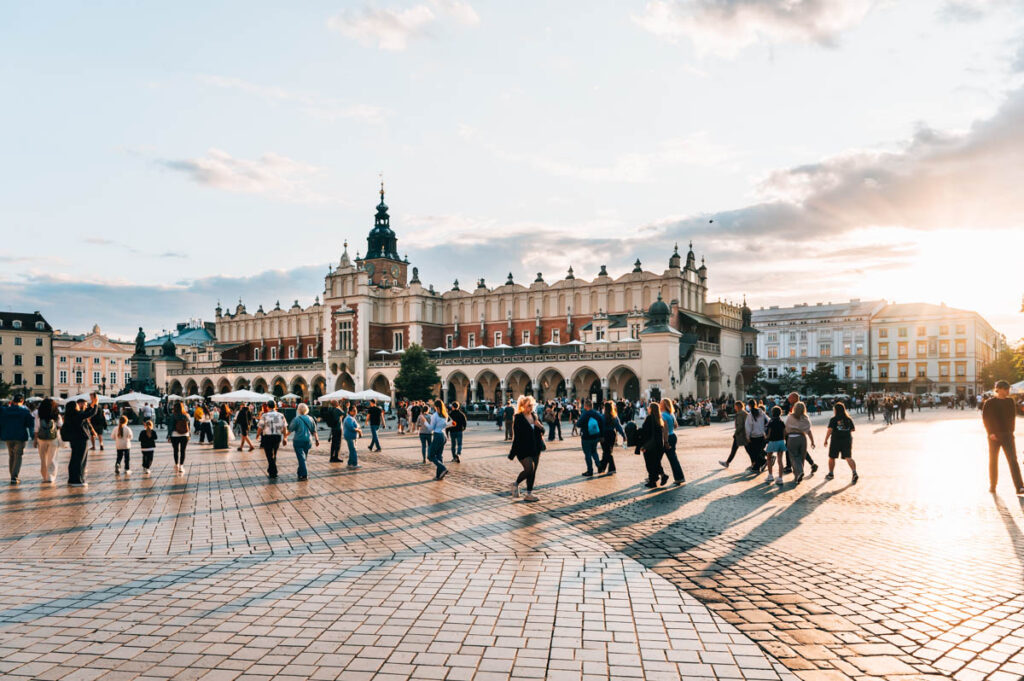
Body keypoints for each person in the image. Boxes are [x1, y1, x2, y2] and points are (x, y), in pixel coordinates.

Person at [982, 380, 1022, 494]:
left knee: (1013, 460)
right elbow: (986, 419)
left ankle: (1019, 486)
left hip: (1007, 435)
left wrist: (1011, 431)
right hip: (994, 436)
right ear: (998, 389)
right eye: (1006, 389)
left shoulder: (1010, 401)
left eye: (1008, 389)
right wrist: (991, 433)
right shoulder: (989, 403)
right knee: (993, 461)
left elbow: (1012, 417)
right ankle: (993, 485)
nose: (1007, 391)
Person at [508, 395, 543, 501]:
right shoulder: (518, 418)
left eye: (532, 405)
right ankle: (516, 483)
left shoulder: (534, 416)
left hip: (535, 448)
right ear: (523, 406)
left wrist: (539, 426)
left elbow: (542, 431)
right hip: (523, 449)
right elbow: (517, 437)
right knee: (529, 469)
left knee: (533, 472)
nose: (531, 408)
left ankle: (529, 494)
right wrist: (512, 453)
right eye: (528, 406)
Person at [63, 394, 98, 487]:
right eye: (77, 405)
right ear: (74, 407)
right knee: (80, 460)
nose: (79, 407)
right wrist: (96, 404)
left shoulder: (70, 415)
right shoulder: (77, 415)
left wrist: (92, 404)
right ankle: (78, 480)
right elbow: (90, 414)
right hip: (81, 440)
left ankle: (72, 479)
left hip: (74, 440)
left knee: (74, 459)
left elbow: (84, 413)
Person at [2, 394, 35, 485]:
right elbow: (30, 424)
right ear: (22, 401)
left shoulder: (5, 410)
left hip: (8, 436)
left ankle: (12, 475)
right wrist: (33, 436)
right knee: (18, 456)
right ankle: (14, 476)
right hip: (20, 437)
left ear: (13, 401)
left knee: (11, 455)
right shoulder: (25, 411)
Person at [823, 402, 859, 484]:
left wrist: (826, 440)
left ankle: (831, 473)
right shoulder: (848, 419)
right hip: (847, 440)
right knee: (848, 457)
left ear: (835, 410)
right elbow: (853, 429)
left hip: (836, 440)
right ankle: (854, 472)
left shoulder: (834, 419)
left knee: (832, 457)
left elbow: (830, 430)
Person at [638, 402, 668, 488]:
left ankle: (653, 481)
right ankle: (660, 477)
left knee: (650, 463)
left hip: (650, 445)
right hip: (658, 445)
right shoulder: (659, 419)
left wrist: (643, 444)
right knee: (655, 463)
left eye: (649, 407)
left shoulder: (649, 418)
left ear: (651, 409)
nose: (648, 408)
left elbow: (645, 432)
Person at [784, 401, 815, 483]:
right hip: (802, 438)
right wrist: (812, 441)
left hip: (792, 438)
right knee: (802, 457)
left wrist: (783, 438)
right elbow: (809, 431)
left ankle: (798, 473)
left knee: (794, 457)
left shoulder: (790, 417)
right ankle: (799, 474)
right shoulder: (805, 418)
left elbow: (786, 429)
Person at [33, 397, 62, 484]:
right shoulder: (56, 414)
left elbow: (36, 428)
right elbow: (60, 425)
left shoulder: (39, 414)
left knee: (43, 458)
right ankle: (51, 476)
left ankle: (44, 476)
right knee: (52, 458)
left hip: (41, 439)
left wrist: (35, 440)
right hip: (53, 438)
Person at [257, 400, 288, 479]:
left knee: (269, 454)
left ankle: (273, 471)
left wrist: (257, 435)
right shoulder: (281, 415)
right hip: (277, 436)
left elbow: (260, 427)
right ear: (275, 406)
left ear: (267, 407)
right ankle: (271, 470)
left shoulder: (264, 415)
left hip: (267, 437)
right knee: (274, 453)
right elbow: (284, 427)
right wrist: (285, 437)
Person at [289, 403, 320, 481]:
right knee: (303, 457)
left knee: (301, 458)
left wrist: (285, 437)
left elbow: (290, 429)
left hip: (298, 440)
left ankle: (304, 474)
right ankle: (300, 472)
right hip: (308, 441)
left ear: (298, 410)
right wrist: (317, 440)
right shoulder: (311, 419)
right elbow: (314, 431)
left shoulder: (296, 419)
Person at [575, 399, 604, 477]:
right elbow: (601, 423)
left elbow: (578, 424)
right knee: (594, 451)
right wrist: (601, 435)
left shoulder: (585, 414)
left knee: (587, 454)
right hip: (595, 436)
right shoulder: (596, 413)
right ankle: (599, 466)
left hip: (586, 437)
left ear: (586, 406)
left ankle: (590, 470)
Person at [596, 401, 625, 475]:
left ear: (604, 408)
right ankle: (602, 468)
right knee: (608, 451)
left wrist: (598, 436)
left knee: (607, 452)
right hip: (612, 435)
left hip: (604, 435)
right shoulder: (614, 417)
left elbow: (599, 427)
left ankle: (610, 468)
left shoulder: (602, 417)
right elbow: (619, 427)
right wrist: (624, 435)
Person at [660, 398, 685, 484]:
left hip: (666, 438)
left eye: (661, 403)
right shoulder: (671, 414)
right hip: (673, 436)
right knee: (673, 458)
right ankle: (680, 477)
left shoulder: (662, 415)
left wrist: (665, 441)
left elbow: (665, 429)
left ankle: (654, 476)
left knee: (656, 458)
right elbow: (676, 425)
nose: (660, 404)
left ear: (664, 405)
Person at [426, 400, 451, 481]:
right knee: (439, 455)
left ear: (436, 407)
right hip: (444, 436)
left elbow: (431, 428)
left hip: (437, 435)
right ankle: (439, 475)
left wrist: (425, 422)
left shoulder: (435, 415)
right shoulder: (445, 415)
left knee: (431, 456)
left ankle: (443, 468)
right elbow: (445, 425)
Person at [764, 406, 787, 485]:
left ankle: (770, 475)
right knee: (780, 460)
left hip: (773, 442)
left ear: (772, 413)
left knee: (769, 458)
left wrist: (765, 437)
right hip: (781, 442)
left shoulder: (771, 422)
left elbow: (769, 434)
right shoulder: (782, 422)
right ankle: (780, 478)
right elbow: (784, 434)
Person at [721, 401, 747, 468]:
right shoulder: (743, 413)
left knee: (749, 450)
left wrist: (736, 433)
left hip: (740, 435)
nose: (734, 407)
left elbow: (740, 425)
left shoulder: (740, 413)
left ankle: (761, 461)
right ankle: (727, 462)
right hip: (743, 434)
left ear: (738, 406)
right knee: (749, 449)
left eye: (735, 406)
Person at [744, 400, 768, 472]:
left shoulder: (750, 415)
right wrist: (764, 430)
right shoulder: (762, 413)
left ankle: (764, 461)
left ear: (749, 406)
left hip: (753, 436)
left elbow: (748, 427)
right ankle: (756, 467)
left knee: (753, 452)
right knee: (758, 451)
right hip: (761, 435)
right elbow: (768, 421)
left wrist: (747, 437)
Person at [167, 402, 191, 474]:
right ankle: (181, 466)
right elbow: (188, 426)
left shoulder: (172, 416)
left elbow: (170, 427)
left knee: (175, 450)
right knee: (183, 451)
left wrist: (169, 436)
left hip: (175, 435)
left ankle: (176, 464)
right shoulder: (186, 416)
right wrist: (189, 434)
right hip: (185, 435)